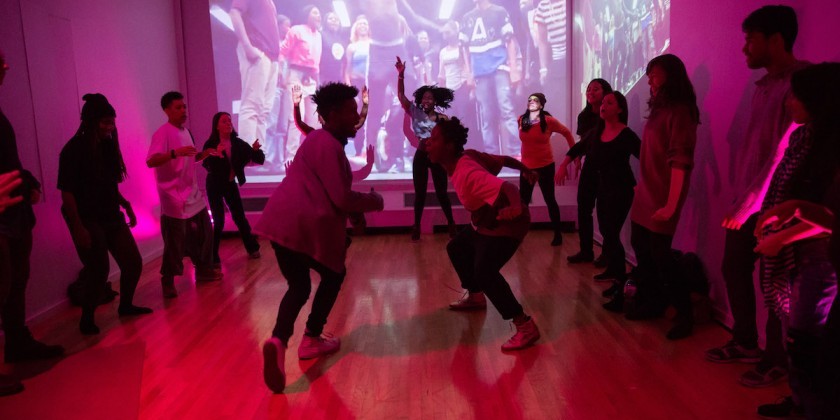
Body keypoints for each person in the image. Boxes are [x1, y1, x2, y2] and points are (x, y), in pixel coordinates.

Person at [706, 5, 809, 389]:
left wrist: (751, 201)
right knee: (735, 267)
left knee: (776, 281)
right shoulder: (764, 86)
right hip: (749, 199)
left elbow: (782, 150)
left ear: (776, 39)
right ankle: (746, 341)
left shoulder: (801, 83)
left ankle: (777, 358)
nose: (745, 48)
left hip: (777, 202)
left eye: (751, 39)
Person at [257, 83, 384, 394]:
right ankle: (311, 337)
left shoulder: (318, 141)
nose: (356, 117)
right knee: (334, 273)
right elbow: (340, 197)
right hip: (305, 224)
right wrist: (372, 202)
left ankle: (278, 339)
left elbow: (333, 188)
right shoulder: (327, 144)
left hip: (282, 221)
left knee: (299, 287)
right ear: (331, 114)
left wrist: (356, 213)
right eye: (351, 111)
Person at [751, 62, 840, 419]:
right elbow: (805, 199)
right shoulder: (808, 138)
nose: (789, 104)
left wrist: (785, 230)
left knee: (807, 340)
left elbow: (831, 216)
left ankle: (811, 406)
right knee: (798, 335)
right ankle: (802, 400)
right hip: (800, 250)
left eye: (796, 98)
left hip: (819, 255)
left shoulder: (831, 148)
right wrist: (782, 212)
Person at [605, 54, 699, 341]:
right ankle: (655, 300)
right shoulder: (659, 109)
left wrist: (671, 204)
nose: (649, 80)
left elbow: (680, 159)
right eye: (648, 75)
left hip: (662, 192)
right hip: (647, 191)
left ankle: (685, 312)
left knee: (661, 254)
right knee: (641, 247)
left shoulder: (680, 111)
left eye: (654, 75)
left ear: (670, 76)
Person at [426, 117, 539, 351]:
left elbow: (507, 187)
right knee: (457, 247)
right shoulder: (468, 157)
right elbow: (504, 159)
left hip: (511, 223)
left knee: (485, 272)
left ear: (449, 146)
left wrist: (516, 206)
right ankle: (476, 296)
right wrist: (525, 169)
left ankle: (525, 326)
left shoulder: (467, 172)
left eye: (434, 138)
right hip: (487, 221)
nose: (428, 143)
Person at [58, 94, 152, 335]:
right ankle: (87, 319)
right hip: (86, 217)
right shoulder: (73, 150)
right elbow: (67, 194)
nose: (110, 127)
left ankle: (126, 305)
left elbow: (107, 183)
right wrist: (78, 227)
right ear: (91, 121)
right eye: (105, 122)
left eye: (112, 122)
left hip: (110, 213)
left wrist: (125, 203)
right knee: (98, 269)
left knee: (132, 262)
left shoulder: (108, 144)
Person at [0, 49, 63, 397]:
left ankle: (18, 342)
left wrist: (26, 181)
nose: (6, 65)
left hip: (14, 216)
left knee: (15, 284)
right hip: (3, 220)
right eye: (0, 60)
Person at [563, 92, 640, 294]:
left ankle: (620, 279)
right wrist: (564, 164)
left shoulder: (626, 134)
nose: (603, 105)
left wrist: (647, 184)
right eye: (603, 102)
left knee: (612, 233)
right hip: (604, 189)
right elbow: (579, 147)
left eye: (609, 102)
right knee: (607, 233)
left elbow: (645, 158)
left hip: (622, 190)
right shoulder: (597, 131)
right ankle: (615, 272)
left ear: (620, 109)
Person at [146, 91, 221, 299]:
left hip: (192, 194)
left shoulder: (186, 132)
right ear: (167, 110)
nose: (183, 111)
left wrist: (203, 155)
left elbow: (188, 158)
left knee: (205, 230)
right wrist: (173, 153)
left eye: (184, 107)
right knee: (175, 242)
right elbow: (151, 161)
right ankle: (168, 279)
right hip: (173, 197)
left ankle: (203, 269)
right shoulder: (162, 133)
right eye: (178, 108)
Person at [396, 56, 457, 241]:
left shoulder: (442, 119)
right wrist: (401, 76)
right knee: (420, 193)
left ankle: (451, 225)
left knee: (442, 193)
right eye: (424, 97)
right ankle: (416, 227)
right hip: (422, 155)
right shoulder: (415, 111)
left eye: (430, 98)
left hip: (436, 157)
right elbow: (401, 97)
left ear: (435, 101)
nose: (426, 100)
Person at [202, 112, 264, 266]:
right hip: (214, 185)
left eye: (229, 121)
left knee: (240, 217)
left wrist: (256, 150)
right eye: (224, 121)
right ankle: (212, 255)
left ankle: (252, 248)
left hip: (230, 184)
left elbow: (258, 159)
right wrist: (217, 154)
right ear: (216, 126)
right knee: (218, 220)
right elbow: (206, 165)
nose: (228, 123)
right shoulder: (210, 144)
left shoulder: (237, 143)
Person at [460, 0, 522, 156]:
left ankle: (516, 153)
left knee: (506, 109)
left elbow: (510, 41)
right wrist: (468, 73)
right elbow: (464, 50)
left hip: (499, 67)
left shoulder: (499, 12)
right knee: (487, 115)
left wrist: (513, 68)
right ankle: (492, 155)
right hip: (480, 71)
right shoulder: (467, 18)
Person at [563, 78, 613, 265]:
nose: (591, 92)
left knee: (605, 213)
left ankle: (608, 254)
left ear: (606, 92)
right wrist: (576, 158)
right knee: (584, 209)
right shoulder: (584, 117)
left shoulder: (610, 114)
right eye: (589, 89)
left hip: (607, 169)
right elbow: (585, 142)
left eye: (596, 89)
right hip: (590, 166)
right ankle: (586, 251)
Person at [516, 92, 574, 246]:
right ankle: (518, 235)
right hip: (526, 168)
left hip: (545, 166)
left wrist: (574, 154)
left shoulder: (549, 121)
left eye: (535, 101)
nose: (532, 103)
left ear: (541, 105)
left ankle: (557, 234)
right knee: (523, 202)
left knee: (550, 199)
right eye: (530, 101)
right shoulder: (521, 119)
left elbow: (567, 133)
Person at [230, 0, 280, 156]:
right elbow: (234, 13)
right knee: (252, 105)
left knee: (264, 110)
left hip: (271, 56)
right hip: (257, 49)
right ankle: (246, 156)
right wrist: (247, 46)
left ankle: (258, 154)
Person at [279, 5, 322, 162]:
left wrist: (318, 84)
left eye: (319, 13)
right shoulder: (296, 30)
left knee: (314, 120)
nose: (319, 16)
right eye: (315, 12)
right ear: (307, 15)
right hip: (295, 76)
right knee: (297, 117)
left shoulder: (318, 35)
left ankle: (309, 157)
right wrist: (281, 75)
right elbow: (282, 52)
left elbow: (316, 62)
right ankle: (291, 158)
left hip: (311, 78)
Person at [533, 0, 569, 120]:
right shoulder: (543, 7)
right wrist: (543, 69)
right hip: (558, 59)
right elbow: (542, 42)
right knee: (554, 101)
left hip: (576, 56)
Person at [344, 15, 372, 157]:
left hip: (371, 84)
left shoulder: (373, 44)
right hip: (357, 84)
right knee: (359, 116)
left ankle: (369, 149)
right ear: (356, 27)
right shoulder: (352, 47)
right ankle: (358, 148)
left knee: (370, 116)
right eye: (360, 23)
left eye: (365, 23)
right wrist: (350, 90)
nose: (363, 25)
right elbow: (347, 70)